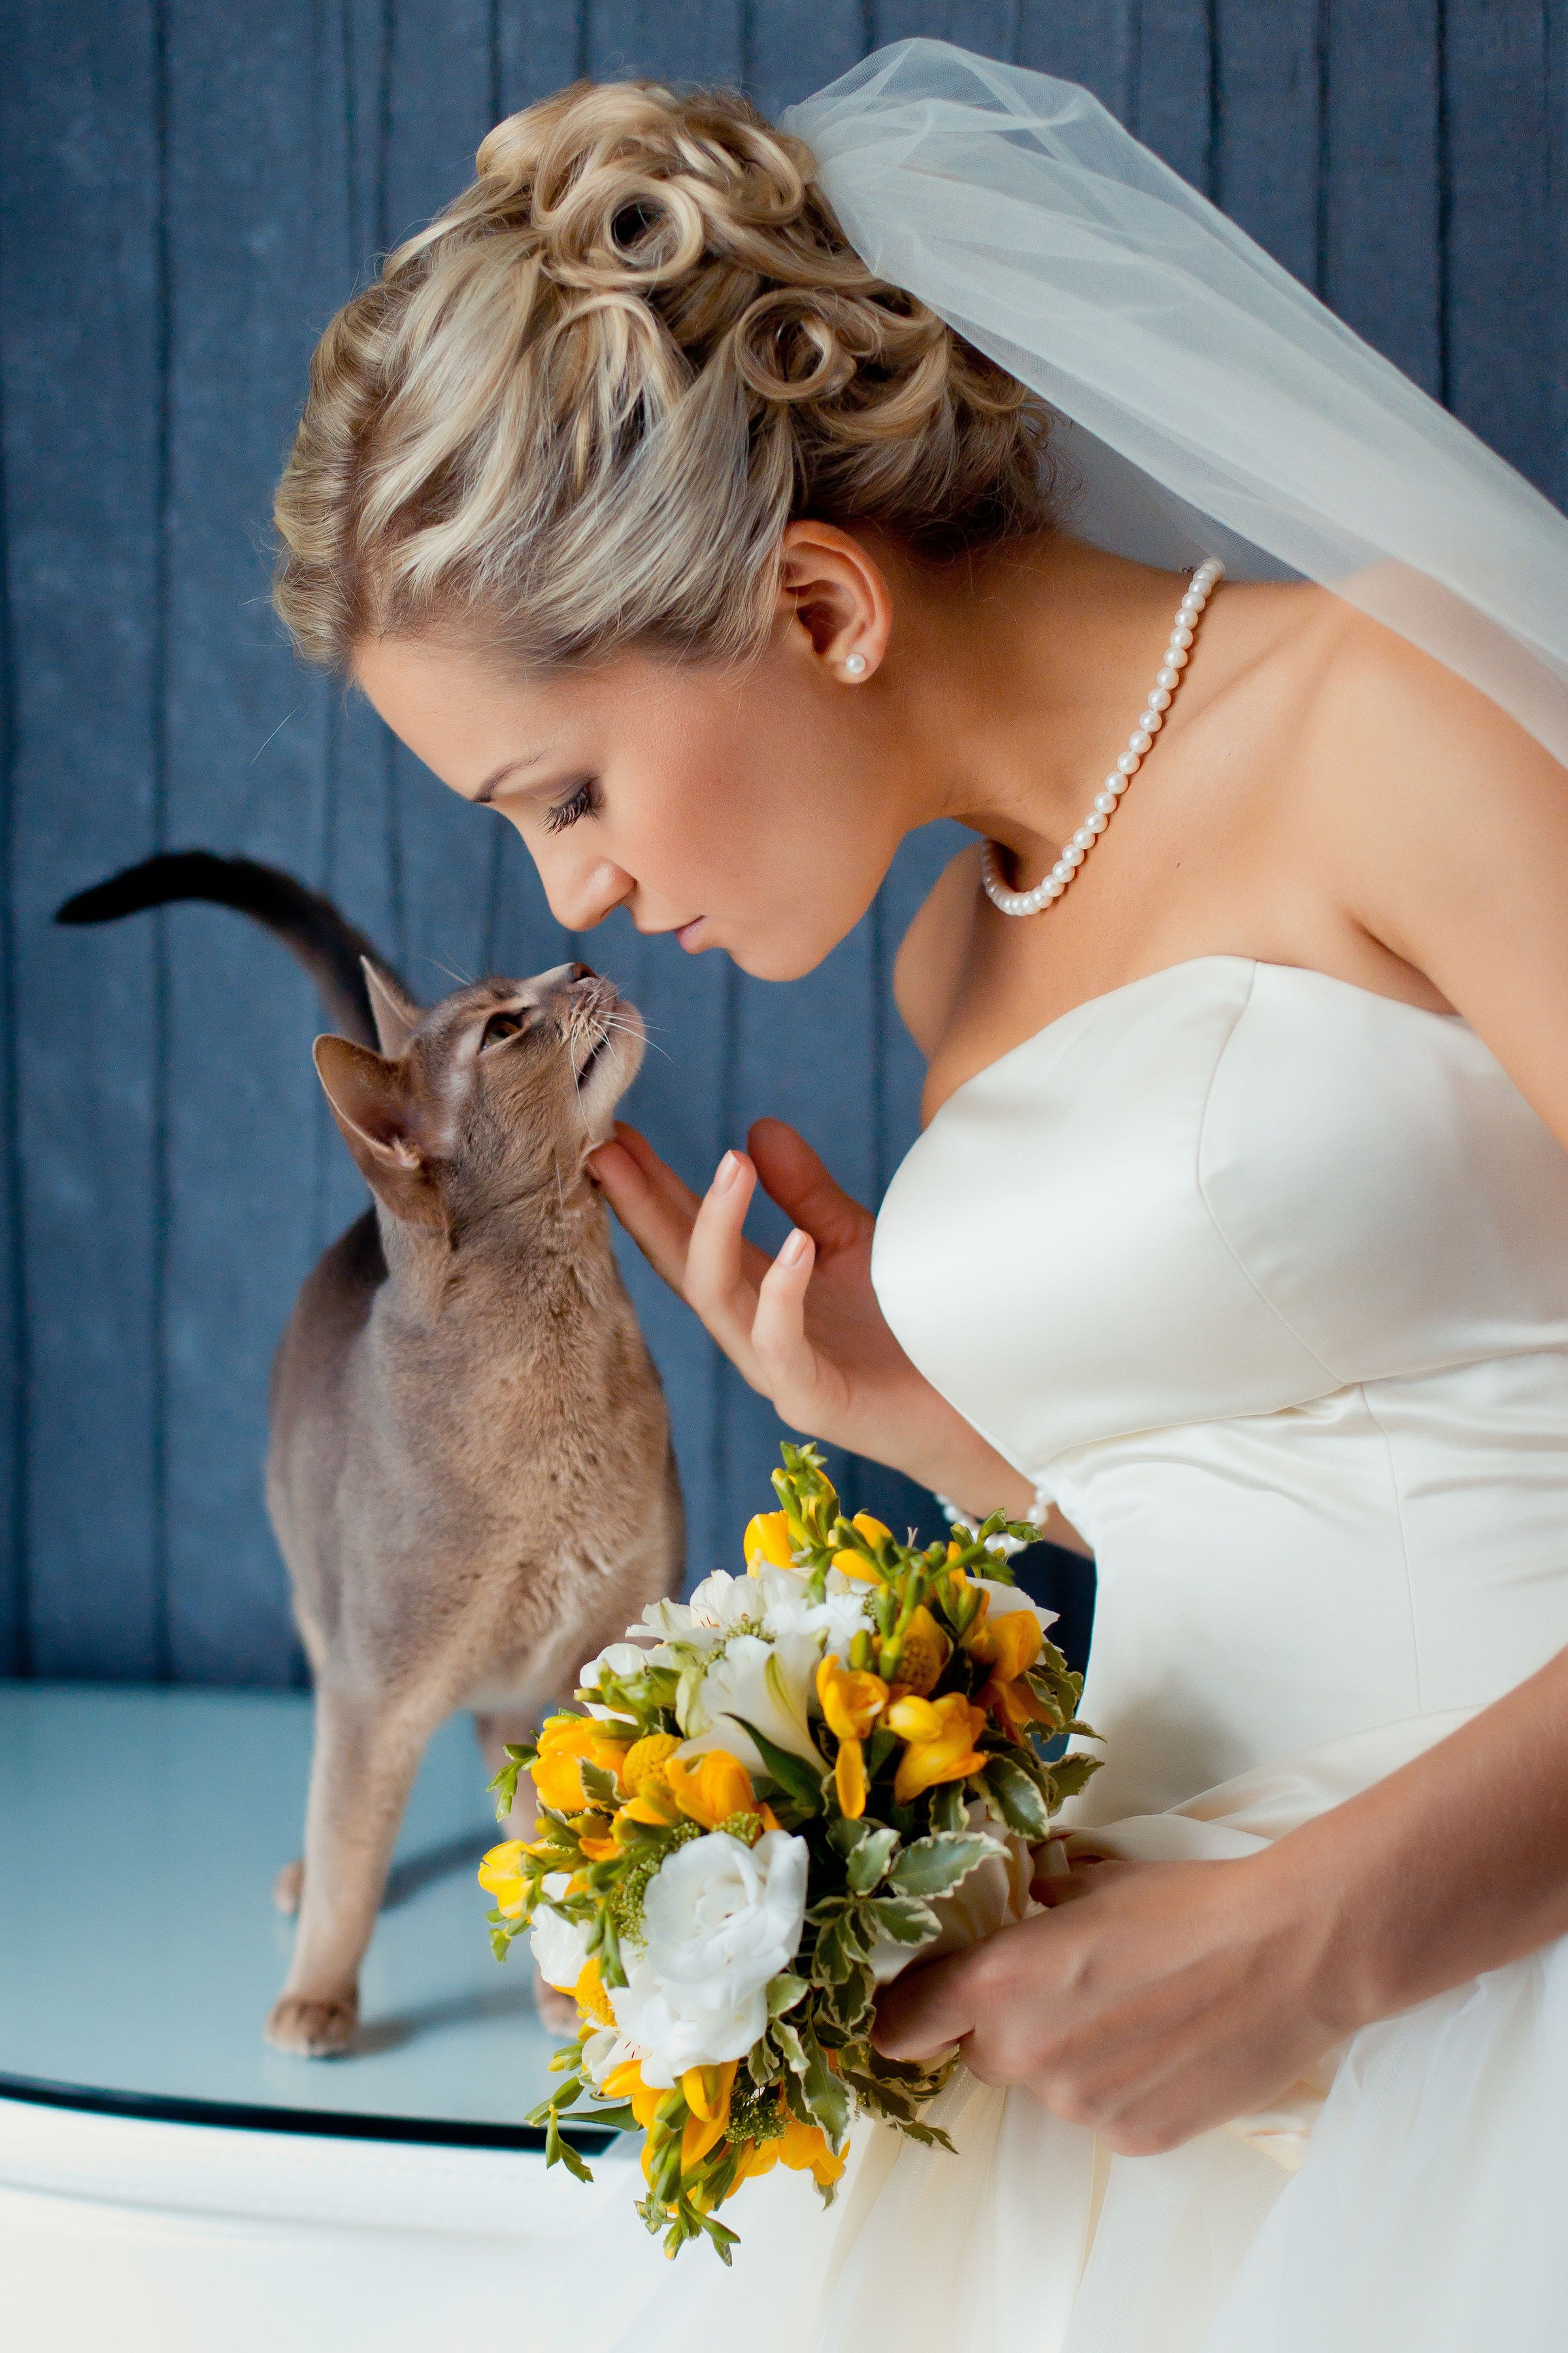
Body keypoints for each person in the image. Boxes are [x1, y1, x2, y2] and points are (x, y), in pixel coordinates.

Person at [271, 39, 1568, 2349]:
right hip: (1137, 2045)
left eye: (566, 792)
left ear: (815, 606)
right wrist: (935, 1437)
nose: (574, 894)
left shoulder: (1392, 714)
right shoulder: (949, 957)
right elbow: (1272, 1493)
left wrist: (1319, 1943)